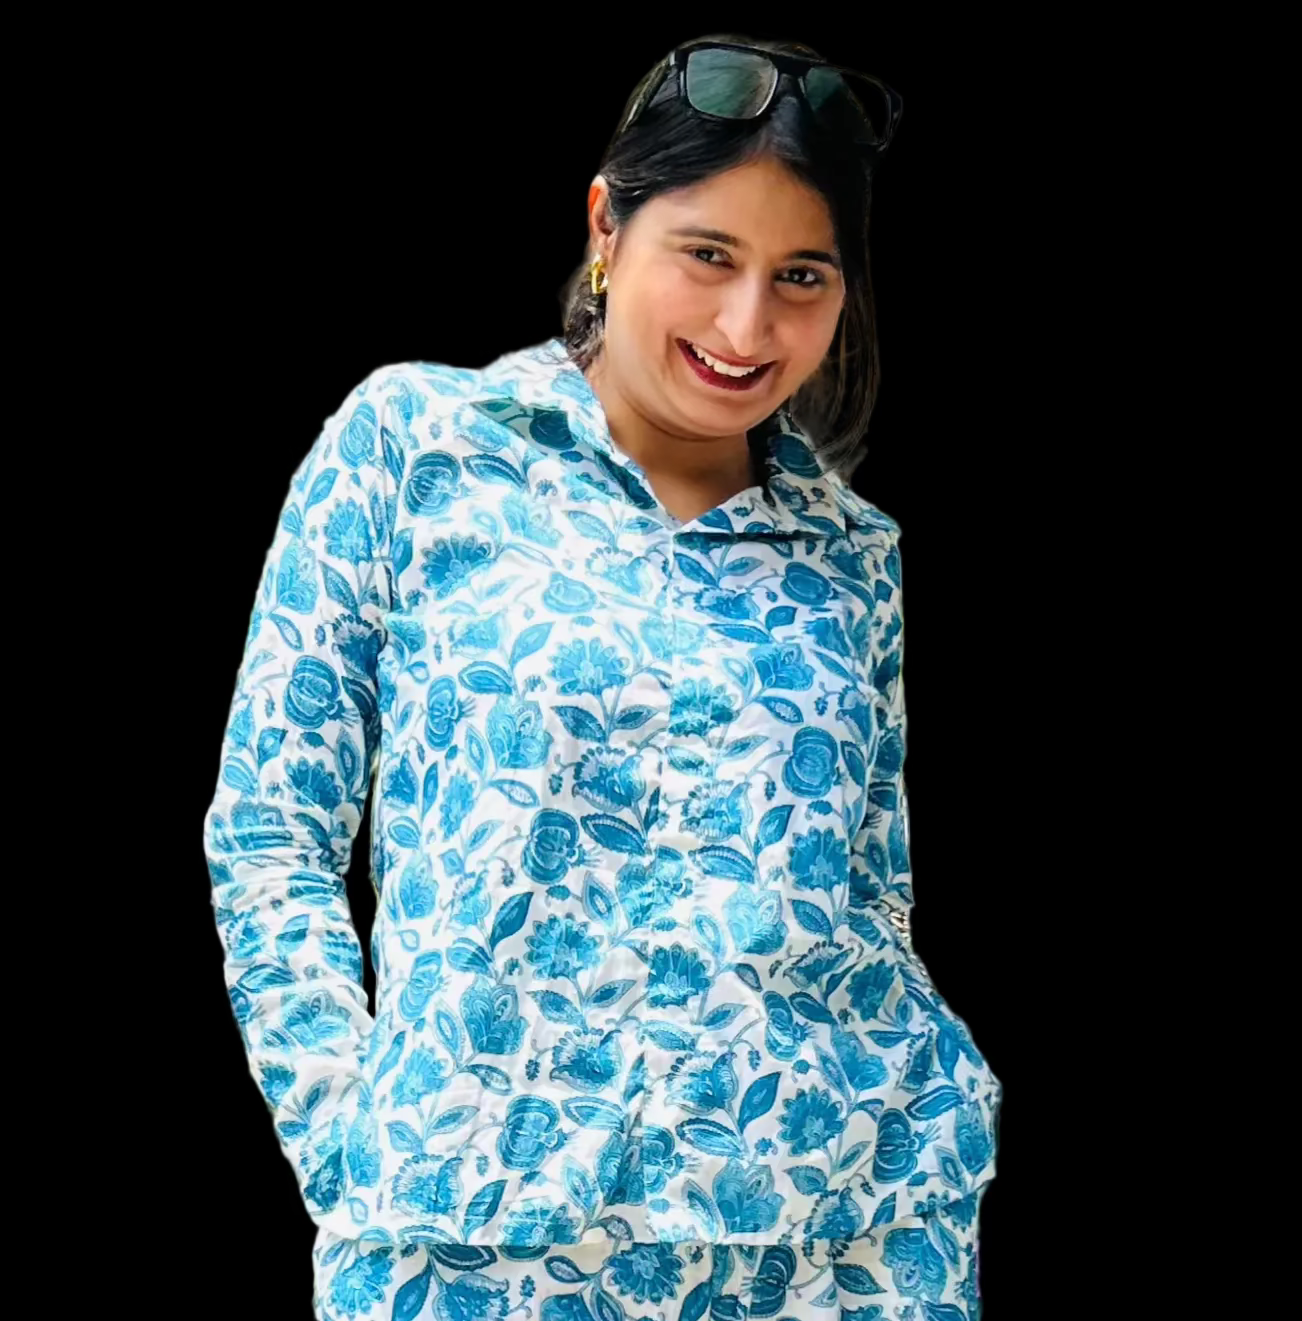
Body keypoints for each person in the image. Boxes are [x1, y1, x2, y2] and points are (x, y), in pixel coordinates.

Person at [202, 33, 1002, 1321]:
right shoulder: (416, 444)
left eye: (801, 276)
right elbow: (269, 829)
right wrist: (347, 1135)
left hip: (839, 1242)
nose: (748, 326)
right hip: (468, 1237)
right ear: (606, 228)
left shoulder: (855, 555)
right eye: (709, 255)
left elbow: (874, 890)